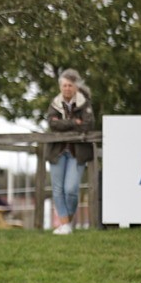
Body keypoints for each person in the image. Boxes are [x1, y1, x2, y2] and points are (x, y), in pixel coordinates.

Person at [45, 68, 94, 234]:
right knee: (57, 189)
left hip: (77, 152)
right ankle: (65, 224)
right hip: (57, 152)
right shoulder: (54, 104)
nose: (67, 88)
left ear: (76, 87)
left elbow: (88, 124)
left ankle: (67, 223)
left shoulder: (84, 103)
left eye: (70, 85)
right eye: (64, 85)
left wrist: (65, 123)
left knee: (71, 189)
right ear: (60, 86)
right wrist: (74, 123)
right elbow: (53, 124)